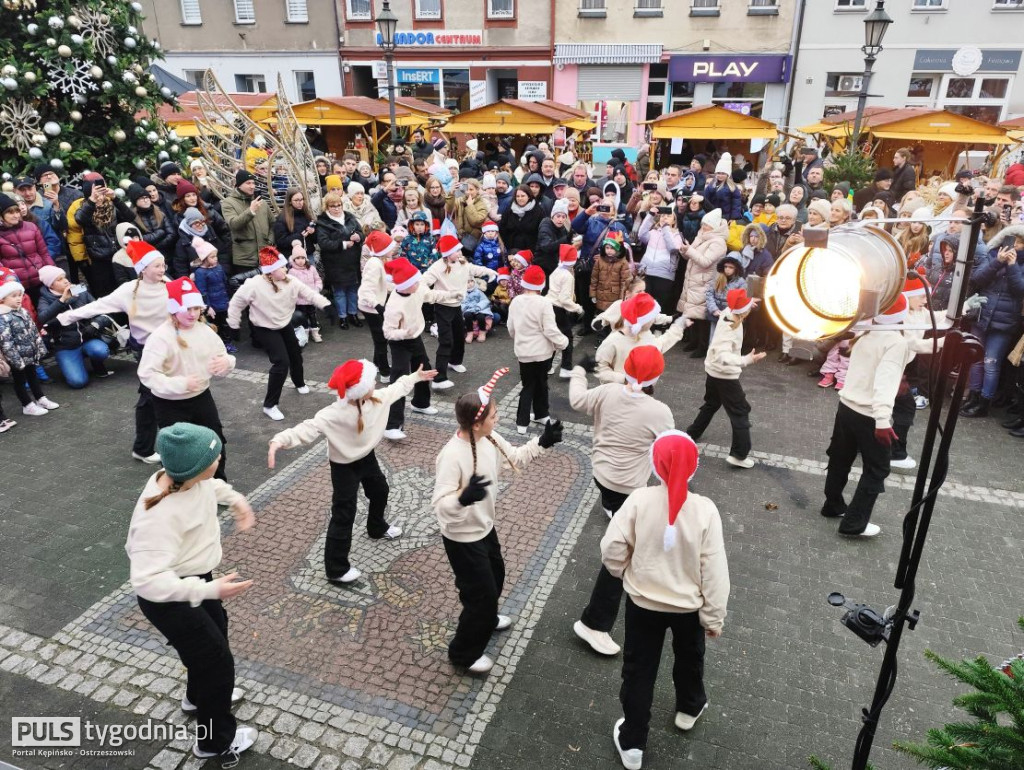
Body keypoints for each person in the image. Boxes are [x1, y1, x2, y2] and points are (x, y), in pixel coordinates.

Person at [125, 422, 257, 762]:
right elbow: (147, 581)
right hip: (169, 597)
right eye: (216, 455)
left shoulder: (183, 480)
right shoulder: (158, 516)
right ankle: (214, 743)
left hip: (194, 578)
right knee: (217, 663)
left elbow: (211, 488)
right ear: (198, 466)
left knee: (217, 636)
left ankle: (197, 698)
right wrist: (209, 588)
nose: (221, 457)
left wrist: (237, 501)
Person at [602, 429, 729, 770]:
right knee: (690, 658)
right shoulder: (705, 510)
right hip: (689, 608)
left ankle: (632, 743)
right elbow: (715, 571)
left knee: (639, 670)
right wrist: (714, 618)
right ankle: (689, 707)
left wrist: (623, 572)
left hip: (643, 603)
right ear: (692, 468)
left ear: (656, 465)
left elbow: (611, 547)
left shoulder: (639, 500)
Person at [431, 371, 563, 673]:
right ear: (476, 423)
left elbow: (514, 457)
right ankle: (463, 654)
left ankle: (486, 620)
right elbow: (440, 506)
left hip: (484, 528)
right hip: (462, 538)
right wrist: (462, 498)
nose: (498, 419)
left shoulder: (489, 438)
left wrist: (542, 442)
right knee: (481, 595)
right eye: (493, 415)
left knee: (496, 576)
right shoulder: (451, 456)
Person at [268, 360, 435, 583]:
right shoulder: (335, 412)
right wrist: (279, 440)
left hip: (366, 457)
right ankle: (336, 570)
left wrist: (415, 377)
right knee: (344, 513)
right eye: (371, 380)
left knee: (380, 490)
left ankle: (376, 528)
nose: (375, 383)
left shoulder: (376, 399)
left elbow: (397, 388)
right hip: (343, 466)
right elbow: (308, 427)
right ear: (360, 389)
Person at [570, 347, 675, 658]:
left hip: (601, 474)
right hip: (629, 488)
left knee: (619, 519)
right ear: (658, 376)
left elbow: (577, 401)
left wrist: (578, 370)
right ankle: (594, 623)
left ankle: (619, 527)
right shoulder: (659, 411)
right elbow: (670, 452)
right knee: (622, 554)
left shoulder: (608, 391)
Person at [57, 241, 169, 463]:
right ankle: (144, 448)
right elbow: (99, 305)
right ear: (143, 269)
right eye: (157, 266)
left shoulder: (169, 283)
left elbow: (186, 304)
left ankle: (163, 442)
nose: (162, 269)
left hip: (171, 347)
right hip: (147, 349)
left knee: (165, 395)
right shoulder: (129, 290)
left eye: (163, 264)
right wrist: (68, 316)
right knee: (152, 396)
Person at [821, 295, 910, 538]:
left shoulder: (868, 333)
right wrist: (882, 421)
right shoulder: (895, 343)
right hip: (869, 415)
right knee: (877, 469)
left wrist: (945, 340)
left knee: (840, 458)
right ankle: (854, 524)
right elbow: (885, 381)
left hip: (846, 407)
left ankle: (833, 505)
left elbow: (912, 347)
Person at [138, 277, 235, 480]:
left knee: (215, 441)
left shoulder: (205, 331)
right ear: (174, 309)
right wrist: (180, 384)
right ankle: (182, 490)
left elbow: (222, 356)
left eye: (196, 309)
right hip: (169, 404)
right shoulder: (160, 337)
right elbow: (147, 374)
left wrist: (227, 362)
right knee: (177, 452)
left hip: (201, 397)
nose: (193, 314)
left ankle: (218, 485)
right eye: (187, 309)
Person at [227, 247, 330, 421]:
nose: (285, 269)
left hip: (283, 323)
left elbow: (309, 293)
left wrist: (326, 305)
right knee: (281, 362)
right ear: (270, 271)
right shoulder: (253, 285)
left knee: (296, 354)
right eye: (281, 267)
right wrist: (233, 325)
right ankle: (269, 405)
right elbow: (236, 303)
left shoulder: (290, 280)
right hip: (264, 327)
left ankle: (299, 382)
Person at [381, 257, 461, 441]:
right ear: (404, 286)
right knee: (400, 380)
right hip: (400, 342)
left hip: (415, 337)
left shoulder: (417, 288)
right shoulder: (394, 305)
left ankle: (420, 403)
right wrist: (403, 332)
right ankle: (392, 425)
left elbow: (432, 295)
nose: (419, 283)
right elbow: (387, 332)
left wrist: (451, 294)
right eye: (414, 282)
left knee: (424, 369)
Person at [685, 288, 766, 469]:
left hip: (713, 371)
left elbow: (736, 306)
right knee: (740, 412)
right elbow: (724, 356)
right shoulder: (729, 328)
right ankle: (739, 455)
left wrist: (748, 303)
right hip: (724, 375)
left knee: (712, 404)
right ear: (742, 311)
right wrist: (747, 360)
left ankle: (691, 434)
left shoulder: (729, 313)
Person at [962, 226, 1024, 418]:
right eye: (1012, 240)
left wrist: (1012, 267)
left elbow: (1020, 290)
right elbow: (978, 279)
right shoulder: (992, 255)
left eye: (1020, 242)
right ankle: (973, 396)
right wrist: (997, 262)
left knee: (991, 362)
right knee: (976, 359)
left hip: (1005, 320)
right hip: (983, 314)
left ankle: (984, 403)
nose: (1015, 245)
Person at [424, 234, 498, 390]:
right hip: (443, 307)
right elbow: (423, 283)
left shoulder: (462, 262)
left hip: (458, 306)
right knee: (446, 341)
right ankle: (439, 379)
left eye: (459, 250)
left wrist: (488, 272)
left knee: (459, 336)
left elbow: (473, 269)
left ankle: (455, 361)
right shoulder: (437, 267)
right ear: (447, 253)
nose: (459, 253)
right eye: (456, 250)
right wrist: (441, 295)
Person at [507, 265, 567, 435]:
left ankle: (524, 422)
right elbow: (550, 329)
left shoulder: (516, 301)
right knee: (541, 383)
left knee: (528, 385)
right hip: (543, 352)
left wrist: (518, 339)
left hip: (524, 352)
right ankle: (541, 414)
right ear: (541, 285)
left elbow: (511, 327)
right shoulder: (545, 302)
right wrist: (563, 342)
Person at [35, 265, 112, 387]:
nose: (65, 281)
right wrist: (62, 300)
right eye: (59, 280)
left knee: (100, 351)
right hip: (66, 346)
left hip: (87, 339)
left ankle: (97, 364)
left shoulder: (79, 290)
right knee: (78, 382)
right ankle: (73, 362)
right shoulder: (45, 299)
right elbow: (42, 318)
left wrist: (95, 325)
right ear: (51, 285)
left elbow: (101, 310)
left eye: (65, 277)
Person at [596, 292, 685, 383]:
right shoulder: (613, 341)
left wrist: (678, 327)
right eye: (652, 317)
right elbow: (600, 367)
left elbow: (662, 344)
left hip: (638, 391)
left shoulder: (647, 337)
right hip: (614, 392)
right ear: (644, 320)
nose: (654, 320)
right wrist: (624, 379)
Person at [0, 279, 58, 416]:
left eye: (20, 295)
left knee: (33, 376)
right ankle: (27, 404)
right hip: (17, 358)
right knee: (19, 380)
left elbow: (33, 332)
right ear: (2, 299)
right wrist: (16, 360)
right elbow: (6, 342)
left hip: (30, 354)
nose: (18, 298)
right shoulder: (2, 317)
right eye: (13, 296)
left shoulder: (23, 312)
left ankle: (40, 398)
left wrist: (39, 349)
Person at [678, 209, 729, 358]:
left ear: (714, 227)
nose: (703, 227)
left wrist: (690, 251)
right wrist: (684, 250)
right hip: (694, 280)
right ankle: (694, 341)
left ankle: (703, 346)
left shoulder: (718, 242)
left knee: (703, 316)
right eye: (703, 224)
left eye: (706, 225)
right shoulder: (702, 236)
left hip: (705, 281)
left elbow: (705, 261)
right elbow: (691, 256)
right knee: (693, 313)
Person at [75, 175, 135, 297]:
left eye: (102, 192)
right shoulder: (85, 207)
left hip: (119, 254)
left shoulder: (112, 206)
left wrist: (115, 198)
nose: (100, 197)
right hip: (99, 259)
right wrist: (92, 200)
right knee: (106, 293)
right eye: (97, 192)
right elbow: (80, 219)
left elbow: (130, 217)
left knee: (124, 290)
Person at [0, 193, 55, 308]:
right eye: (10, 212)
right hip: (17, 285)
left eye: (17, 211)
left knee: (49, 311)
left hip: (40, 278)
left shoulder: (31, 227)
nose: (16, 215)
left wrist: (53, 274)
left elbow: (44, 253)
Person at [358, 231, 396, 384]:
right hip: (370, 307)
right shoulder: (374, 264)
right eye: (390, 246)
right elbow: (366, 289)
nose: (393, 250)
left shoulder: (379, 261)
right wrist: (377, 306)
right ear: (383, 249)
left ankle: (377, 365)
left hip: (374, 305)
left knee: (379, 338)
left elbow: (383, 284)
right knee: (381, 339)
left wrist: (399, 286)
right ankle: (385, 372)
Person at [221, 170, 276, 275]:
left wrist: (270, 242)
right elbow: (233, 224)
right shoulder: (228, 203)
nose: (252, 186)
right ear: (239, 185)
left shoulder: (262, 203)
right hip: (245, 260)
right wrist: (250, 211)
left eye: (253, 183)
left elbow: (273, 224)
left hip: (265, 257)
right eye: (248, 183)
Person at [190, 240, 235, 353]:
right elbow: (202, 291)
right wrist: (208, 306)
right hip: (213, 305)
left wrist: (230, 298)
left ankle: (227, 343)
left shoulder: (219, 268)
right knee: (215, 325)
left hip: (224, 301)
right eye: (212, 257)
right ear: (204, 258)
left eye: (216, 256)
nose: (216, 259)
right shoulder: (200, 273)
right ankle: (215, 344)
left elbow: (225, 283)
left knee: (225, 324)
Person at [637, 207, 682, 312]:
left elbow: (673, 248)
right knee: (644, 307)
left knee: (659, 308)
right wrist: (650, 215)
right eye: (662, 216)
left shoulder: (677, 235)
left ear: (674, 220)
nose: (665, 218)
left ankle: (658, 327)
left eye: (668, 216)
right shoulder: (653, 232)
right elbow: (641, 235)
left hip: (664, 276)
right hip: (646, 273)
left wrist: (666, 228)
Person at [549, 245, 584, 378]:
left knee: (551, 338)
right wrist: (577, 308)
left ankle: (547, 366)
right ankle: (566, 368)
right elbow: (564, 299)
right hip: (559, 309)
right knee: (567, 339)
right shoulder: (567, 276)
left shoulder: (557, 270)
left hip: (549, 306)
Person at [287, 249, 324, 343]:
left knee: (313, 315)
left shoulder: (311, 268)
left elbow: (318, 280)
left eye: (303, 258)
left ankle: (315, 333)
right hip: (300, 300)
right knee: (303, 317)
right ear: (294, 259)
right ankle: (305, 332)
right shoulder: (292, 271)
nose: (300, 260)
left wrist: (316, 289)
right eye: (298, 258)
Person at [273, 188, 317, 258]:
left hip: (308, 255)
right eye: (296, 200)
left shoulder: (306, 215)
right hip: (292, 257)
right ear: (290, 201)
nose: (300, 202)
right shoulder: (282, 218)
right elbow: (280, 242)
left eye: (301, 199)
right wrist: (299, 236)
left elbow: (315, 240)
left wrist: (313, 232)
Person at [702, 154, 743, 222]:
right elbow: (706, 199)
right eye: (718, 173)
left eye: (723, 173)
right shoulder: (711, 185)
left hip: (725, 217)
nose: (720, 175)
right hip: (711, 215)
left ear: (727, 175)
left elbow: (736, 204)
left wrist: (733, 218)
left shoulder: (732, 187)